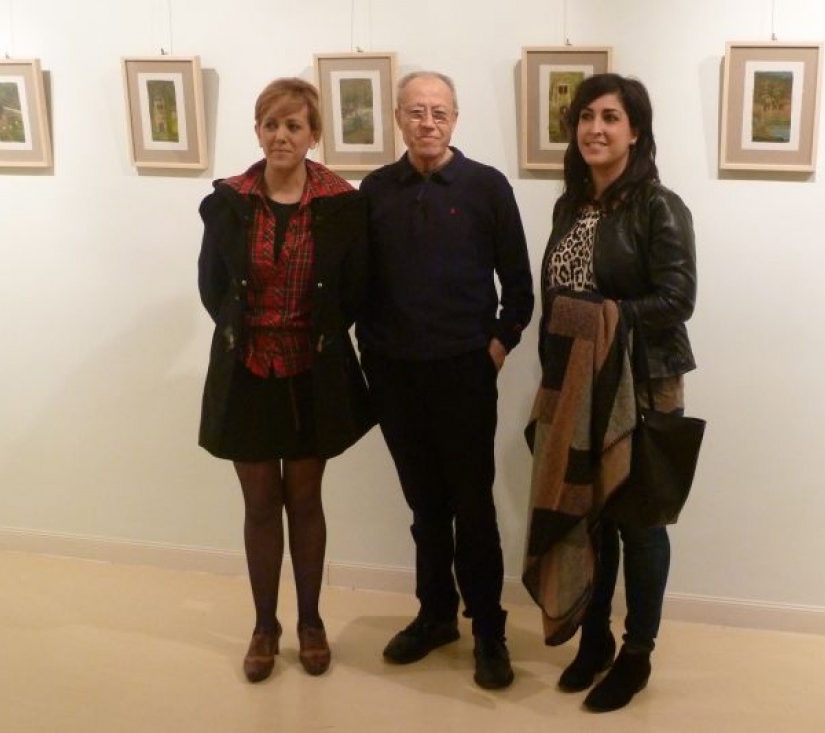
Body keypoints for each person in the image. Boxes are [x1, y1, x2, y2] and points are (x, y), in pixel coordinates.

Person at [356, 70, 535, 690]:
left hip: (464, 371)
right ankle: (435, 617)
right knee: (424, 507)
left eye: (439, 112)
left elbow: (518, 287)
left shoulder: (486, 187)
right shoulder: (375, 190)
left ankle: (488, 628)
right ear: (397, 120)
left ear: (455, 118)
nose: (427, 123)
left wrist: (497, 345)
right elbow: (359, 283)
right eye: (415, 112)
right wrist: (370, 353)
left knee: (472, 505)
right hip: (395, 375)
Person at [196, 77, 376, 683]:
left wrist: (306, 329)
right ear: (257, 131)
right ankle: (264, 626)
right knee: (259, 504)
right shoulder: (227, 202)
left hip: (311, 371)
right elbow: (212, 289)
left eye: (293, 125)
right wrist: (255, 330)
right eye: (271, 124)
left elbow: (354, 291)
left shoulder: (343, 205)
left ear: (313, 135)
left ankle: (310, 622)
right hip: (246, 369)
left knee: (305, 499)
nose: (281, 136)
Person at [537, 73, 697, 712]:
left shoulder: (659, 205)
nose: (595, 129)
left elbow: (677, 299)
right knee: (589, 514)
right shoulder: (569, 205)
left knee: (641, 522)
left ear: (636, 131)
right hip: (580, 383)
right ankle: (595, 638)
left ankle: (637, 654)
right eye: (585, 117)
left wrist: (604, 315)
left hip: (645, 383)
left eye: (610, 117)